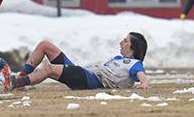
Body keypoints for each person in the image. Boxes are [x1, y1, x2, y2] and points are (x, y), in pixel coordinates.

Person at [10, 33, 149, 91]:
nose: (121, 43)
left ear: (133, 47)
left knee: (49, 69)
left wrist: (144, 84)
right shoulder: (119, 59)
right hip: (84, 73)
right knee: (44, 45)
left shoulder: (134, 64)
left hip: (90, 80)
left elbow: (141, 75)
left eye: (125, 41)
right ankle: (22, 79)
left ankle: (16, 83)